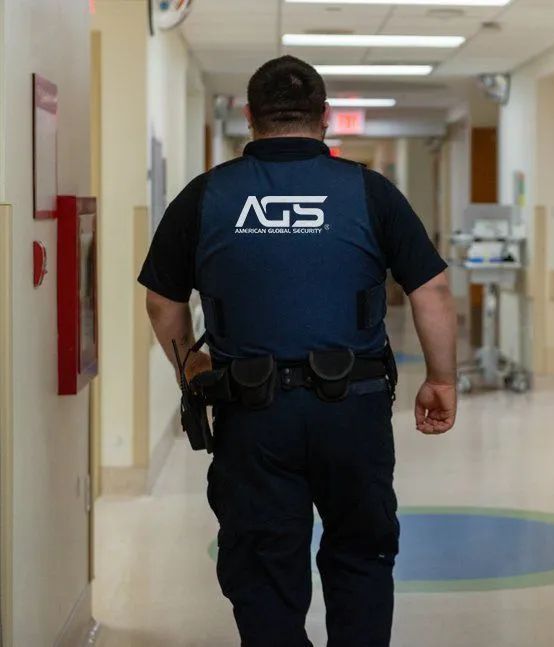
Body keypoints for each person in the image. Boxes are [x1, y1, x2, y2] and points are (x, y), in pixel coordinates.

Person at [138, 55, 457, 646]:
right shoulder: (369, 190)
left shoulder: (207, 194)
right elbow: (431, 288)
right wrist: (442, 377)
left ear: (250, 116)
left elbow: (163, 300)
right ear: (326, 118)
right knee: (361, 554)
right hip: (352, 412)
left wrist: (194, 369)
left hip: (251, 413)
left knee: (262, 565)